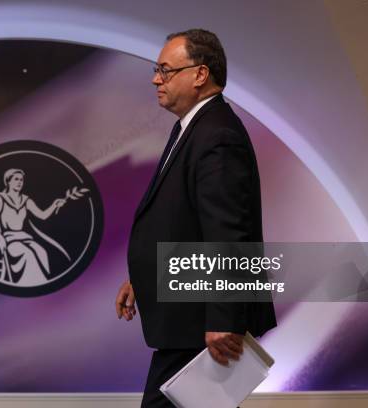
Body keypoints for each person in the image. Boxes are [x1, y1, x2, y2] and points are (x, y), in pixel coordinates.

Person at [115, 29, 277, 407]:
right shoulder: (193, 128)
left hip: (201, 321)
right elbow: (183, 221)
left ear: (200, 74)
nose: (156, 79)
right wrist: (145, 276)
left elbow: (227, 233)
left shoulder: (217, 135)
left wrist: (224, 318)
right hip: (187, 317)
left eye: (166, 70)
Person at [0, 168, 68, 286]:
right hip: (9, 240)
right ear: (8, 181)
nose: (20, 182)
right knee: (27, 254)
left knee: (41, 251)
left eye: (21, 180)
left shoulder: (26, 200)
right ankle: (30, 285)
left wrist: (54, 205)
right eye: (16, 179)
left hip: (24, 237)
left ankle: (42, 284)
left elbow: (42, 216)